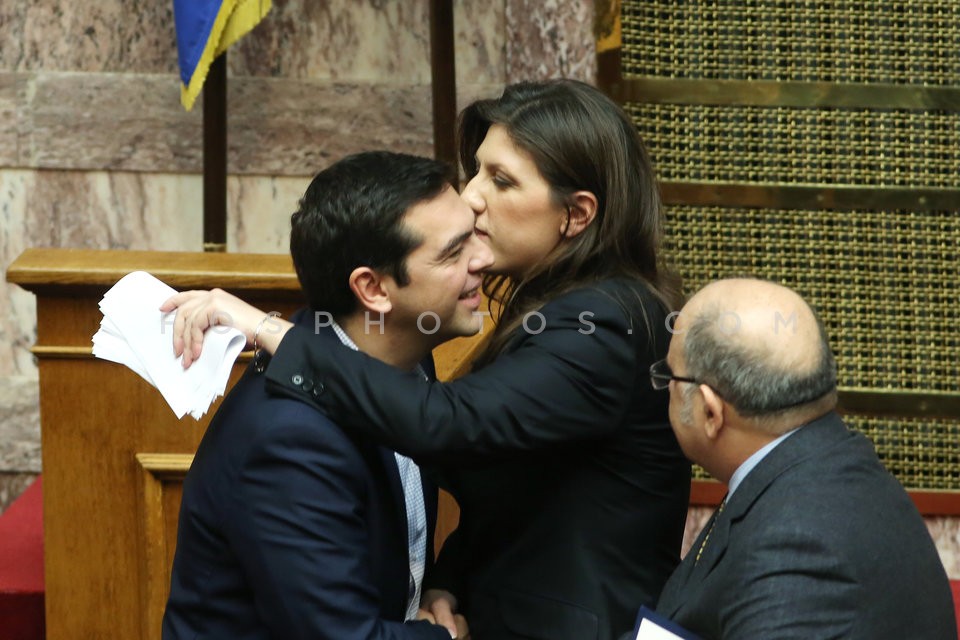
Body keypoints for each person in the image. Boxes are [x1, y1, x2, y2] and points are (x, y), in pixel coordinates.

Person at [163, 79, 692, 640]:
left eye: (503, 180)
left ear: (576, 214)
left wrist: (269, 329)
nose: (473, 196)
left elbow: (449, 425)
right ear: (374, 290)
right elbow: (521, 490)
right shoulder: (297, 429)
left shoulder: (601, 321)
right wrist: (449, 586)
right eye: (479, 170)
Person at [162, 151, 491, 640]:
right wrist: (448, 638)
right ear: (373, 289)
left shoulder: (406, 360)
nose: (483, 259)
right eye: (453, 252)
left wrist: (444, 588)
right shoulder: (289, 439)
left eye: (475, 237)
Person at [642, 277, 956, 639]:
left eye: (669, 375)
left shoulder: (798, 549)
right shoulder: (812, 461)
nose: (665, 387)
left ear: (711, 413)